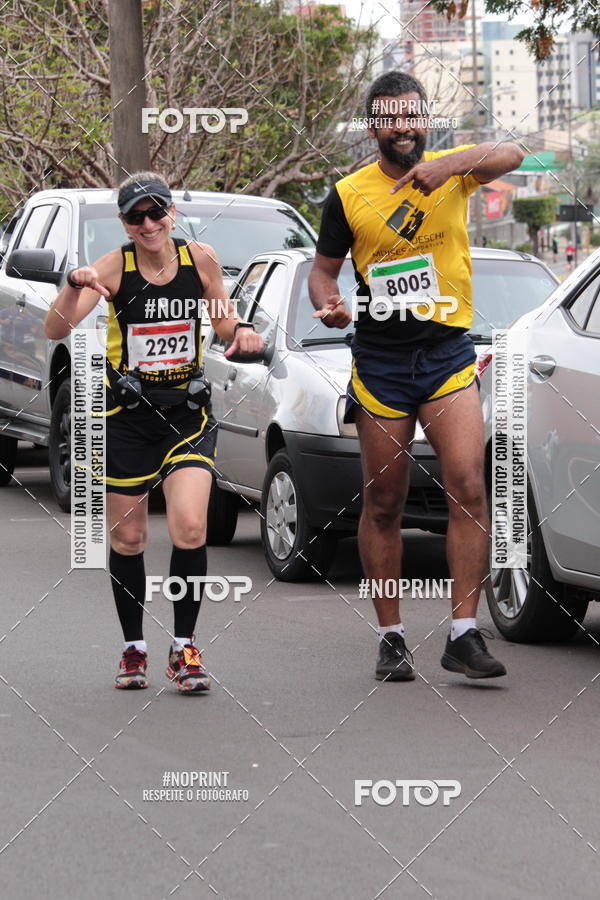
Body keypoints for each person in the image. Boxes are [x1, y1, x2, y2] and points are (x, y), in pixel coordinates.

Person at [309, 71, 524, 682]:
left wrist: (447, 164)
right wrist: (330, 301)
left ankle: (462, 634)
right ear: (374, 126)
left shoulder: (457, 172)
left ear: (424, 120)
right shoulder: (348, 194)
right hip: (380, 360)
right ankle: (392, 636)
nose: (403, 127)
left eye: (413, 115)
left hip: (447, 354)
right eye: (390, 117)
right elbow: (322, 272)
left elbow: (514, 151)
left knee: (468, 487)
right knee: (384, 501)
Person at [44, 173, 263, 693]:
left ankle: (184, 647)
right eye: (135, 217)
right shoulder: (112, 269)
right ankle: (133, 647)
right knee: (130, 537)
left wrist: (243, 332)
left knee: (189, 526)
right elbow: (56, 328)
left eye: (155, 212)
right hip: (128, 420)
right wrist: (74, 286)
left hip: (186, 415)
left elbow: (224, 320)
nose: (147, 224)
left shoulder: (200, 260)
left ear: (171, 214)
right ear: (124, 223)